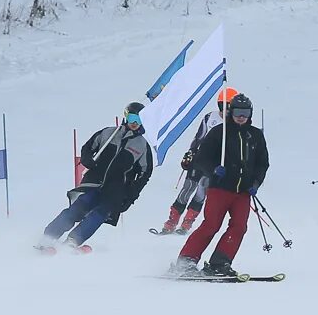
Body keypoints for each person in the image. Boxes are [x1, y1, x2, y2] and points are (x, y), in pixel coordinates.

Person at [174, 93, 269, 276]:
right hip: (220, 188)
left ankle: (220, 263)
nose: (241, 116)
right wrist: (213, 170)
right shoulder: (220, 132)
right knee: (211, 225)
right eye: (237, 112)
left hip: (243, 191)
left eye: (245, 112)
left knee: (239, 227)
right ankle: (186, 260)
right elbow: (202, 158)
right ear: (230, 112)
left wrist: (256, 182)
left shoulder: (255, 135)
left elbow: (262, 163)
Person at [39, 102, 154, 252]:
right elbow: (88, 147)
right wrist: (87, 160)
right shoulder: (108, 133)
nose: (134, 123)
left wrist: (130, 196)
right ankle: (48, 237)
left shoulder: (142, 146)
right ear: (125, 116)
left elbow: (145, 174)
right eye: (132, 118)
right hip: (94, 182)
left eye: (139, 120)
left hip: (115, 190)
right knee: (77, 208)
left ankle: (73, 241)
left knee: (100, 214)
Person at [158, 87, 235, 234]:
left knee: (201, 191)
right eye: (223, 106)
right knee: (187, 189)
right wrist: (190, 153)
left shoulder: (233, 125)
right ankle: (171, 222)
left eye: (230, 107)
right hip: (199, 159)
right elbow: (198, 137)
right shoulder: (210, 117)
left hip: (214, 164)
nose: (227, 110)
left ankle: (187, 223)